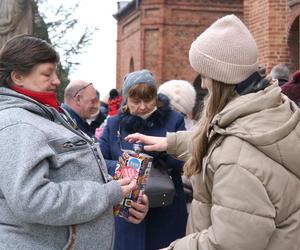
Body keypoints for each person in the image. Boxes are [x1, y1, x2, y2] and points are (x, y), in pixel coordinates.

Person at [126, 15, 300, 250]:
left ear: (221, 80)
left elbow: (230, 242)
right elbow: (225, 138)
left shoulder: (235, 159)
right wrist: (171, 142)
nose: (203, 85)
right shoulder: (270, 109)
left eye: (206, 76)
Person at [0, 34, 148, 249]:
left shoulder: (47, 114)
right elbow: (32, 200)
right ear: (18, 77)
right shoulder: (18, 124)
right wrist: (109, 193)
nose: (57, 81)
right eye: (47, 74)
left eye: (55, 72)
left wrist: (122, 197)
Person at [99, 69, 188, 250]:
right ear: (126, 100)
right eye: (136, 101)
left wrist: (161, 155)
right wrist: (128, 166)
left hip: (166, 207)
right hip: (127, 210)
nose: (142, 106)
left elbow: (184, 161)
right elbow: (99, 161)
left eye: (148, 100)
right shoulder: (114, 124)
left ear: (155, 97)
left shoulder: (174, 119)